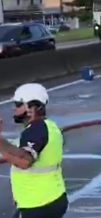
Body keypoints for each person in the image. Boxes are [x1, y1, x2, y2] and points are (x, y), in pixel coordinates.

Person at [0, 83, 69, 218]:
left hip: (38, 204)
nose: (15, 109)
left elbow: (25, 161)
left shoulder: (36, 129)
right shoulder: (50, 126)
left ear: (32, 107)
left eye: (18, 104)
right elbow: (18, 151)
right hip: (54, 197)